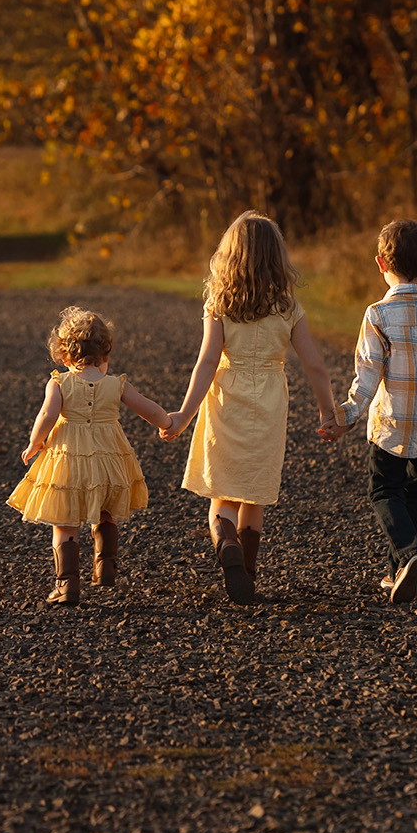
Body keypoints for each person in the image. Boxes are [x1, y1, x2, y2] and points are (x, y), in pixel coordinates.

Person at [161, 211, 341, 605]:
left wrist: (183, 414)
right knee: (254, 495)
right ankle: (247, 573)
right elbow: (314, 363)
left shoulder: (219, 302)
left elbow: (207, 362)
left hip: (227, 397)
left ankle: (225, 544)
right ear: (277, 257)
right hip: (270, 401)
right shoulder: (288, 306)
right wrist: (329, 412)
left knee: (221, 491)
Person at [320, 218, 417, 604]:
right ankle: (400, 573)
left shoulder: (377, 315)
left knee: (383, 489)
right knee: (416, 490)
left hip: (392, 424)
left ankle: (409, 554)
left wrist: (346, 417)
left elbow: (367, 376)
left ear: (380, 264)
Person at [9, 306, 174, 607]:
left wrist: (35, 442)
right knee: (106, 509)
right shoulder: (116, 385)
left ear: (63, 354)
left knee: (65, 521)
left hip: (68, 457)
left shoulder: (59, 382)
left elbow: (47, 414)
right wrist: (168, 423)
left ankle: (67, 584)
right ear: (106, 351)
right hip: (109, 457)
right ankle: (105, 566)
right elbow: (146, 408)